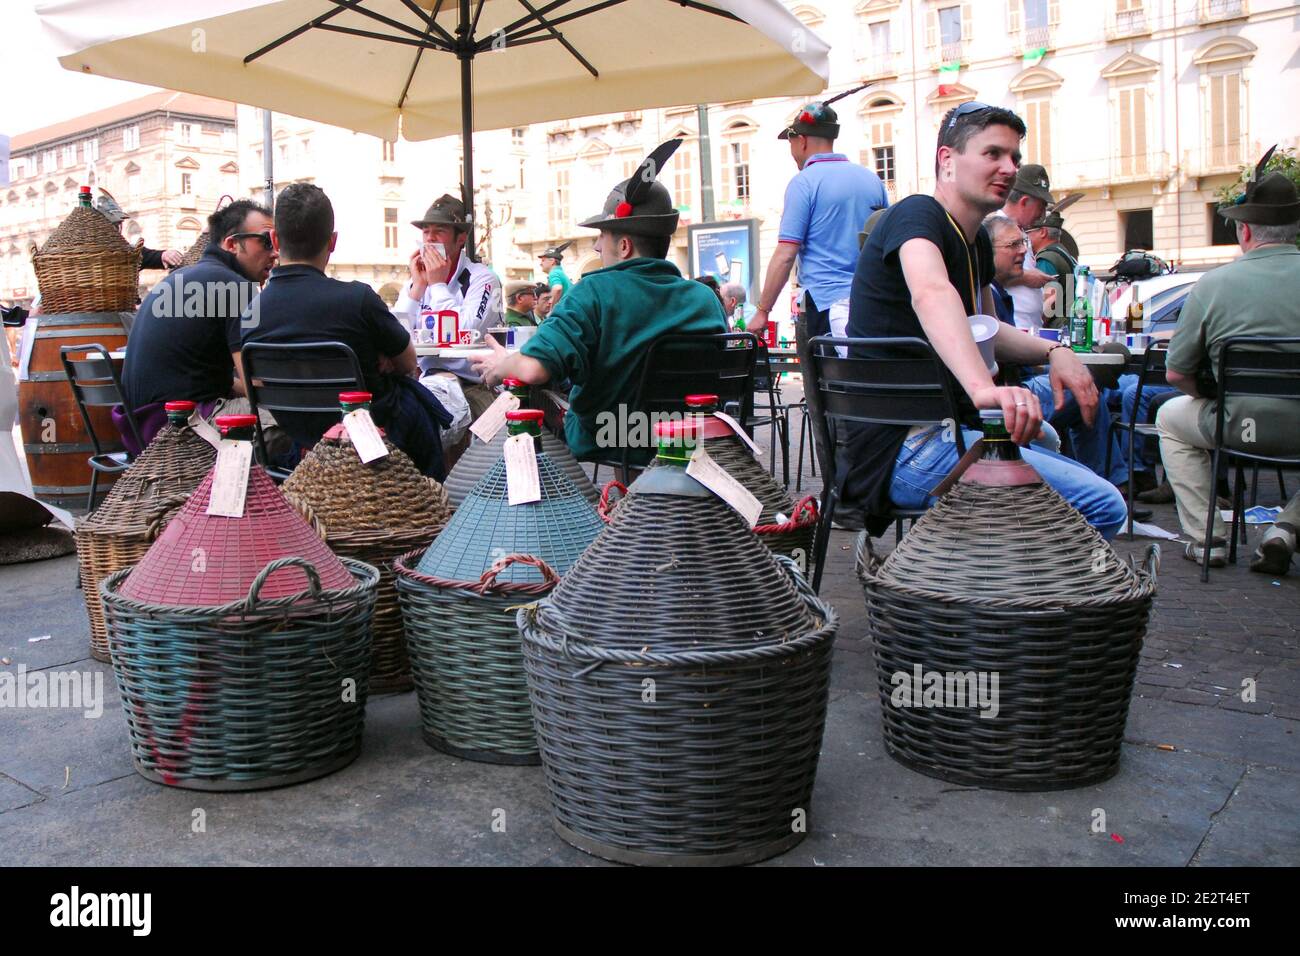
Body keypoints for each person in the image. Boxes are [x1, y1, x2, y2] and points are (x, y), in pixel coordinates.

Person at [841, 102, 1126, 539]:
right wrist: (984, 390)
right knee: (1103, 505)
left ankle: (996, 587)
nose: (1009, 167)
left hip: (951, 433)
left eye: (1014, 157)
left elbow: (987, 332)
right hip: (907, 449)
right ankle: (1014, 599)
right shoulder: (917, 216)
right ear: (947, 160)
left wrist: (1057, 351)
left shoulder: (973, 243)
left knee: (1047, 437)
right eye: (992, 154)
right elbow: (930, 292)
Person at [472, 139, 727, 464]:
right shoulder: (704, 299)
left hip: (611, 436)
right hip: (687, 437)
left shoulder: (592, 292)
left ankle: (543, 508)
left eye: (601, 237)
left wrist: (501, 365)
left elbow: (533, 369)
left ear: (623, 246)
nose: (595, 247)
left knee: (524, 394)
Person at [241, 183, 451, 478]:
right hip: (379, 444)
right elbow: (408, 364)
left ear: (275, 240)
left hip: (302, 441)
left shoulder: (251, 312)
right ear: (332, 241)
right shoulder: (358, 299)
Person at [1156, 161, 1300, 569]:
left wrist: (1213, 395)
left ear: (1246, 231)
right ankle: (1286, 527)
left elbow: (1176, 373)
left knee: (1169, 419)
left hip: (1238, 426)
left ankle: (1208, 540)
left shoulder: (1212, 285)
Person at [120, 198, 276, 451]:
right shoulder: (234, 286)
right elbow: (254, 386)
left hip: (141, 427)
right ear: (231, 243)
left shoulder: (181, 277)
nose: (275, 251)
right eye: (266, 240)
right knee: (294, 418)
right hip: (179, 428)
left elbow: (209, 379)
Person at [747, 100, 889, 338]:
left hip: (823, 305)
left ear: (801, 140)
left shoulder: (804, 183)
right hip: (869, 303)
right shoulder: (872, 180)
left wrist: (763, 310)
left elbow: (786, 254)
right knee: (866, 374)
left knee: (822, 375)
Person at [391, 193, 503, 421]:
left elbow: (462, 332)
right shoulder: (417, 281)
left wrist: (439, 284)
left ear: (460, 238)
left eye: (439, 231)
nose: (429, 239)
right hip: (424, 381)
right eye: (425, 232)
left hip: (471, 386)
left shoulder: (483, 279)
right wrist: (417, 290)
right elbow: (394, 334)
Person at [999, 164, 1056, 333]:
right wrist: (1027, 278)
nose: (1042, 214)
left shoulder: (1019, 231)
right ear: (1024, 202)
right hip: (1015, 326)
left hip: (1028, 326)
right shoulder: (996, 229)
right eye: (1040, 207)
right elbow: (988, 276)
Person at [95, 192, 182, 270]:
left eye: (118, 224)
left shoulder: (126, 252)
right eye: (113, 224)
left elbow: (144, 255)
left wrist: (164, 255)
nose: (116, 229)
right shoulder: (83, 250)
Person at [538, 241, 573, 306]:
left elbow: (557, 288)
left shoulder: (554, 273)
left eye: (543, 260)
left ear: (552, 261)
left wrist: (551, 307)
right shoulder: (559, 272)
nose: (540, 264)